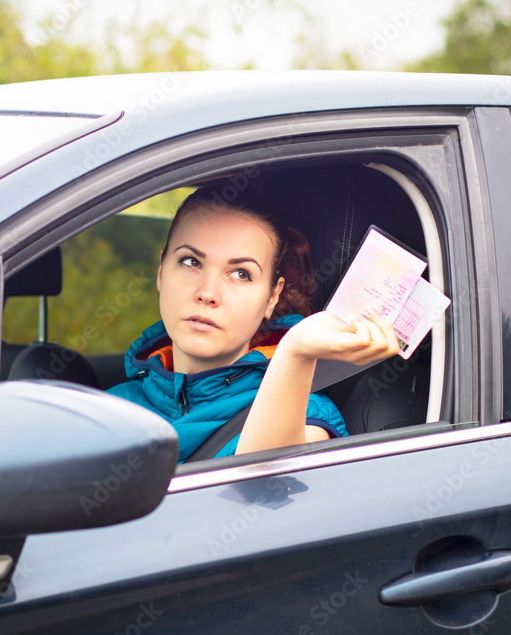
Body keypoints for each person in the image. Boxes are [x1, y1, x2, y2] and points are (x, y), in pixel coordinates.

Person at [108, 186, 399, 462]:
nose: (208, 293)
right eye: (191, 262)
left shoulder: (303, 417)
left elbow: (261, 494)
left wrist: (295, 354)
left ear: (272, 297)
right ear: (161, 272)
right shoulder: (109, 410)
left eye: (241, 274)